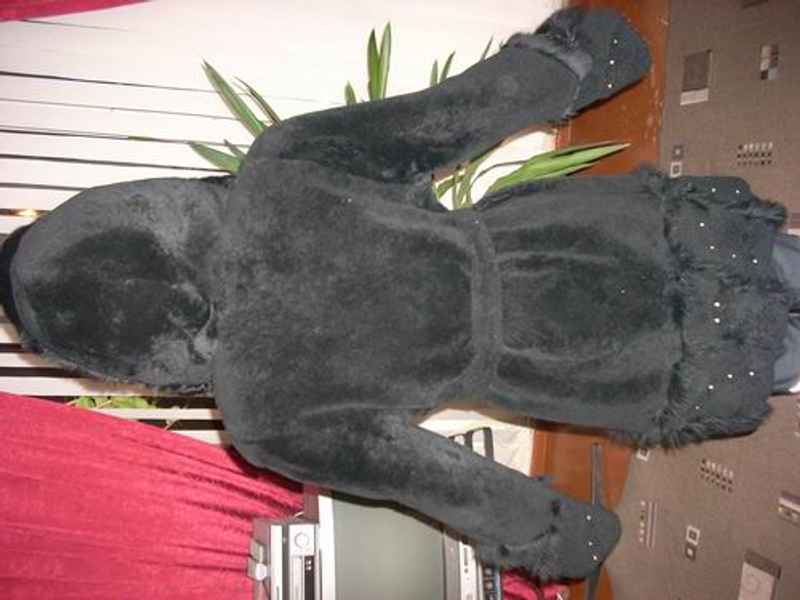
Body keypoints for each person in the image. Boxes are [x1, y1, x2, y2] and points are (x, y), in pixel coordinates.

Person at [0, 8, 791, 580]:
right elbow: (452, 116)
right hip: (567, 239)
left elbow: (435, 477)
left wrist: (551, 532)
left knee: (769, 355)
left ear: (122, 357)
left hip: (571, 364)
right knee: (767, 262)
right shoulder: (281, 165)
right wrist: (572, 62)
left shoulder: (262, 417)